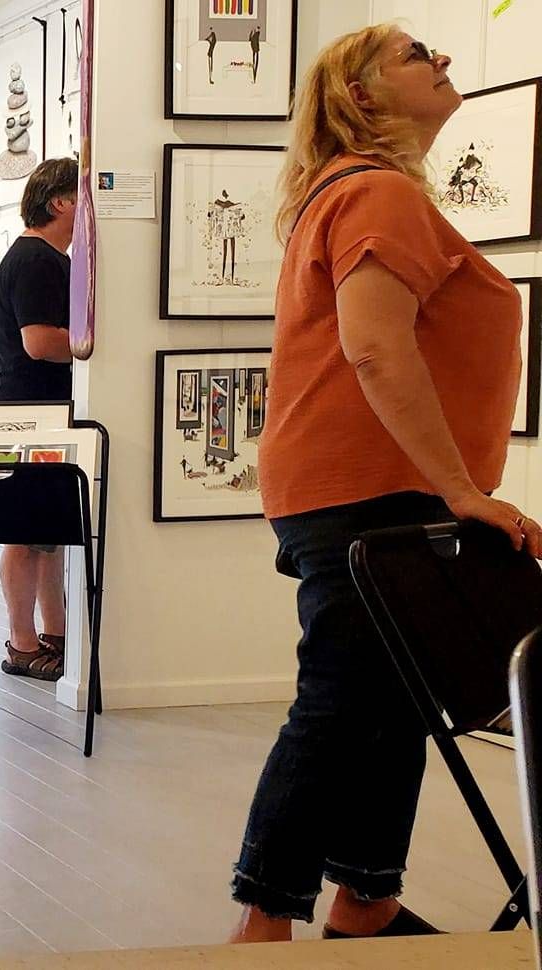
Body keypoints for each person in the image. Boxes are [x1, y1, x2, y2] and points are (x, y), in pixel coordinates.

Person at [229, 25, 537, 943]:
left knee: (393, 695)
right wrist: (464, 491)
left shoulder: (360, 190)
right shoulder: (376, 191)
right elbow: (374, 346)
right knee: (340, 698)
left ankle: (367, 902)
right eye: (415, 54)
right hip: (366, 487)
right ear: (360, 96)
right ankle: (260, 928)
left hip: (365, 486)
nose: (441, 61)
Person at [0, 157, 79, 682]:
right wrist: (91, 347)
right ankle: (22, 643)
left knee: (48, 531)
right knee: (26, 532)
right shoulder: (36, 260)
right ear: (61, 202)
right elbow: (40, 342)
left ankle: (55, 634)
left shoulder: (45, 259)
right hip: (28, 413)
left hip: (38, 411)